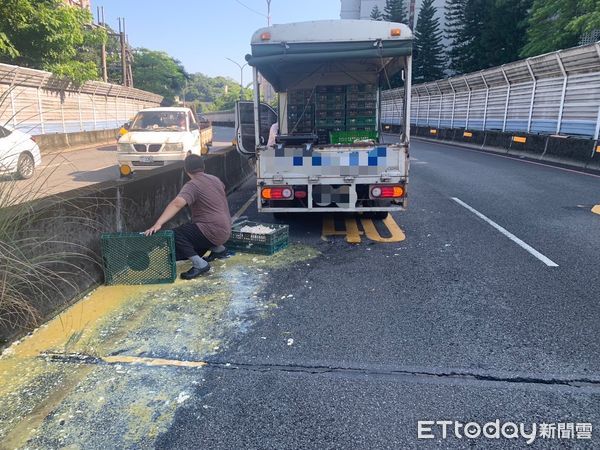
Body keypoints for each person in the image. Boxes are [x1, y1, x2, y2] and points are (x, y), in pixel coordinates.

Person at [144, 155, 231, 279]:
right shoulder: (215, 179)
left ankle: (199, 264)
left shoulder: (192, 185)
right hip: (226, 229)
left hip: (212, 230)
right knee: (193, 227)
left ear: (186, 170)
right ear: (203, 166)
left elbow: (177, 203)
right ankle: (219, 250)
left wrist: (158, 223)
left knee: (176, 234)